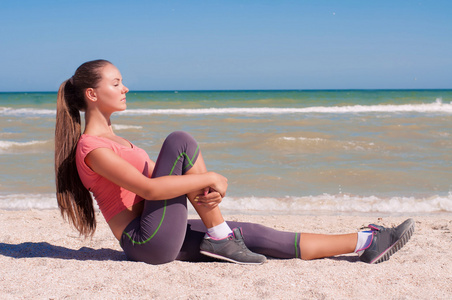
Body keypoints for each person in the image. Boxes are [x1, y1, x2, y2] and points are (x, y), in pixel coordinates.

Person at [55, 59, 414, 265]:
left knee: (254, 234)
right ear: (92, 94)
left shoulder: (119, 141)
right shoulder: (91, 148)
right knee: (180, 141)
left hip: (162, 229)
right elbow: (149, 188)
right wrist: (209, 177)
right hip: (144, 242)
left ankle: (366, 242)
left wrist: (204, 188)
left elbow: (161, 191)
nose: (125, 88)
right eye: (117, 83)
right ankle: (219, 234)